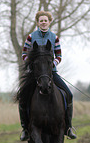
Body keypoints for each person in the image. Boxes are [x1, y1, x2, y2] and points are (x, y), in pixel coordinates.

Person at [19, 11, 77, 141]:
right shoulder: (31, 37)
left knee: (69, 94)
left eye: (46, 20)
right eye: (41, 20)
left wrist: (52, 65)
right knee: (22, 97)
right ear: (38, 22)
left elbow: (59, 56)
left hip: (51, 72)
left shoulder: (54, 37)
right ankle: (25, 129)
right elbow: (24, 54)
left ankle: (68, 127)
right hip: (35, 74)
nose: (43, 22)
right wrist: (32, 64)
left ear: (49, 22)